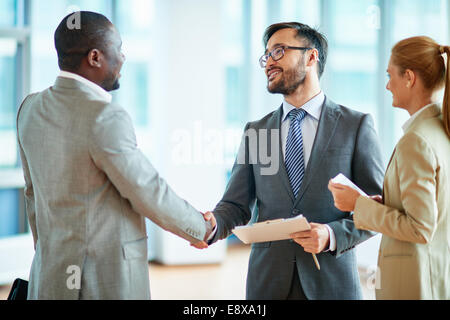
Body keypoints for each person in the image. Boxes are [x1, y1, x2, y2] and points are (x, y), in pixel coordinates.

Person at [16, 11, 213, 300]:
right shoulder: (104, 116)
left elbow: (32, 195)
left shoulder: (29, 108)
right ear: (95, 57)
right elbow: (147, 190)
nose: (123, 58)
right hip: (101, 281)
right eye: (118, 49)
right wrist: (200, 228)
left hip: (50, 274)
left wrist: (52, 254)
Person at [195, 22, 385, 300]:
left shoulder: (355, 126)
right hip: (268, 283)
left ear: (311, 57)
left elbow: (376, 210)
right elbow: (236, 205)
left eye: (279, 51)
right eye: (266, 55)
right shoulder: (257, 131)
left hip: (331, 283)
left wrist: (332, 235)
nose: (268, 63)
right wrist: (213, 226)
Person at [328, 36, 450, 300]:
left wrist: (358, 205)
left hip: (415, 282)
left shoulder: (416, 141)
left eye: (390, 75)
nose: (387, 85)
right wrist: (388, 203)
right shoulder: (441, 129)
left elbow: (420, 227)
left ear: (409, 77)